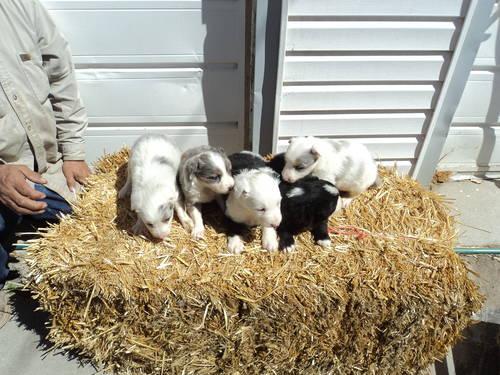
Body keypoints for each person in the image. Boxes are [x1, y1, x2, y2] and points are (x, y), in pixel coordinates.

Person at [0, 0, 90, 289]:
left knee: (99, 221)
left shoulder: (20, 6)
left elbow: (60, 76)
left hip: (45, 172)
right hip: (2, 173)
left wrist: (73, 153)